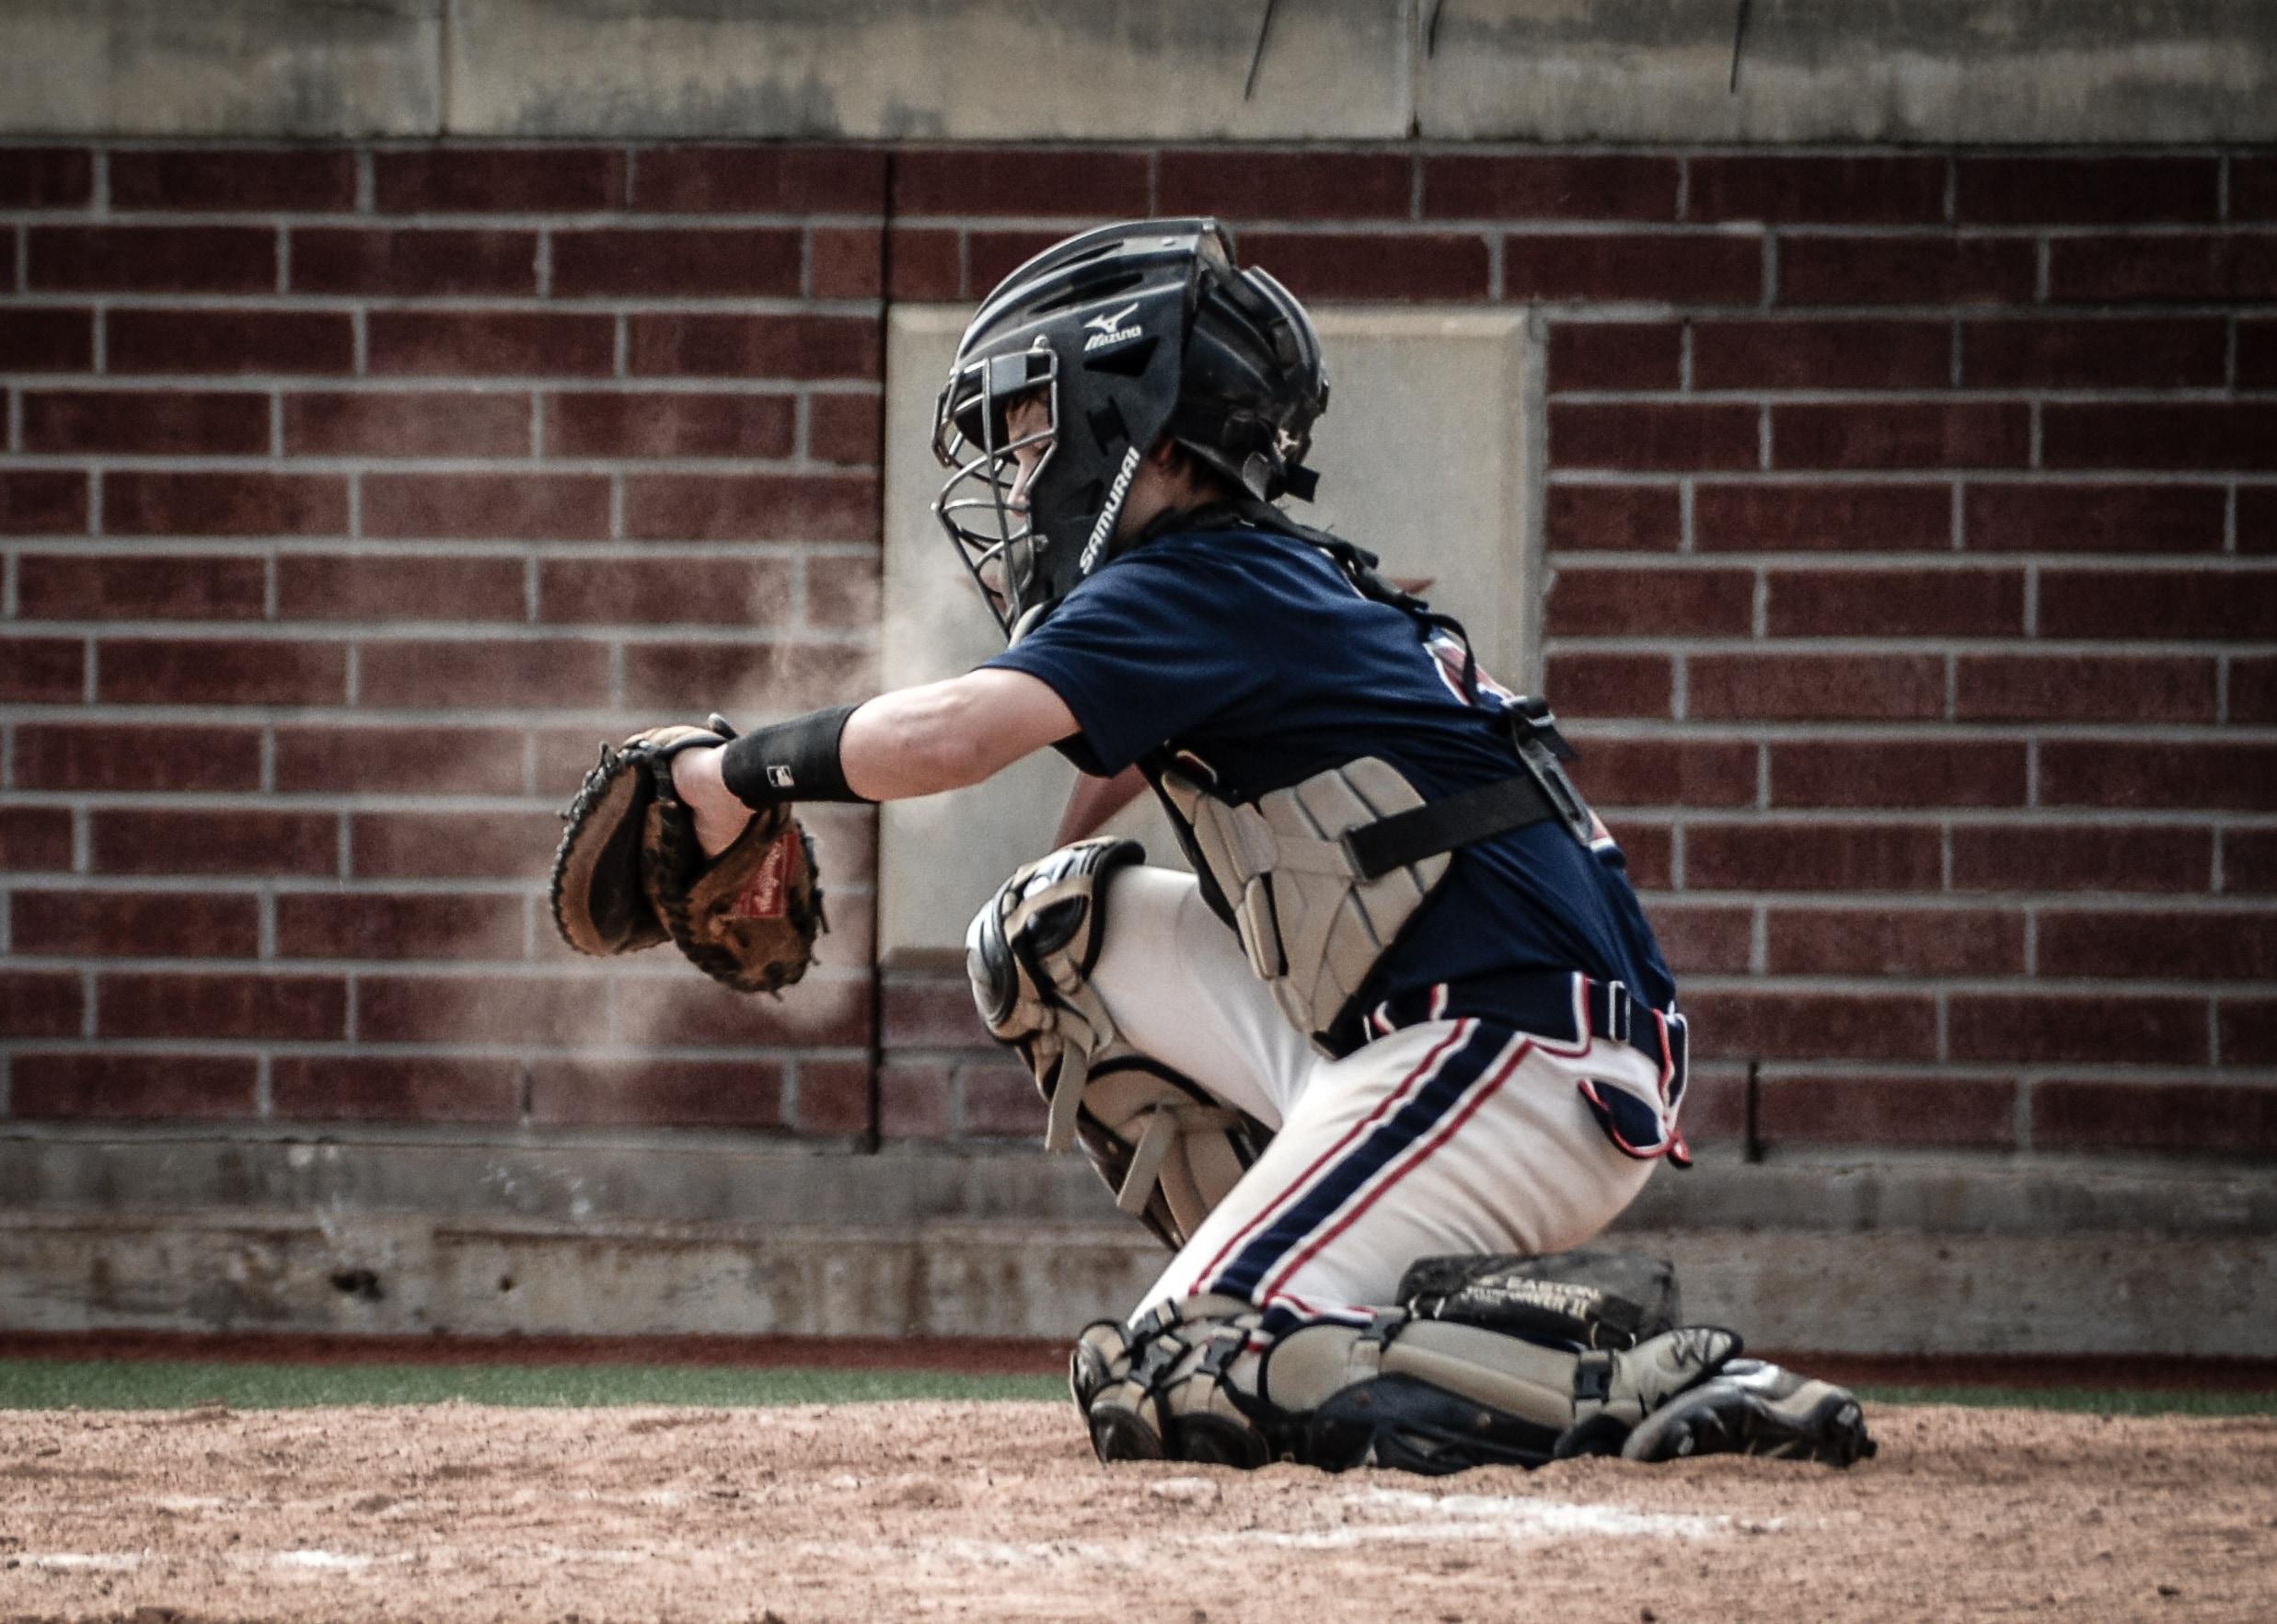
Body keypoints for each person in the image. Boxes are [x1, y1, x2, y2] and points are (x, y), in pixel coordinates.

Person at [668, 218, 1871, 1473]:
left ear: (1138, 421)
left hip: (1505, 1056)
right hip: (1471, 1033)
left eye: (1036, 428)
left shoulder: (1198, 579)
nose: (1021, 471)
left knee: (1171, 1366)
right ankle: (1312, 1299)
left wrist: (731, 771)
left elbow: (954, 737)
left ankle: (1607, 1379)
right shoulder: (1249, 576)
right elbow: (1125, 749)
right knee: (1046, 937)